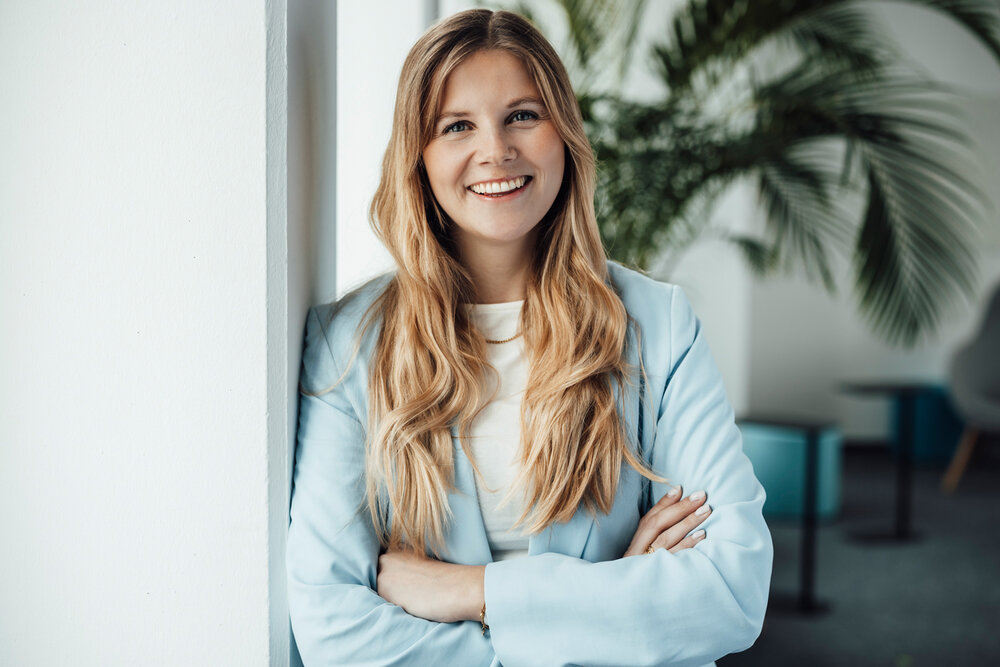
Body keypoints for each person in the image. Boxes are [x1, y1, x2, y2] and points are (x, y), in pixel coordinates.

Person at [287, 9, 772, 667]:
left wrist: (473, 591)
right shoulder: (349, 343)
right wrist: (612, 606)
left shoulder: (658, 325)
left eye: (522, 115)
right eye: (457, 126)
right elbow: (334, 632)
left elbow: (729, 589)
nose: (496, 150)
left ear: (563, 136)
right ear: (419, 158)